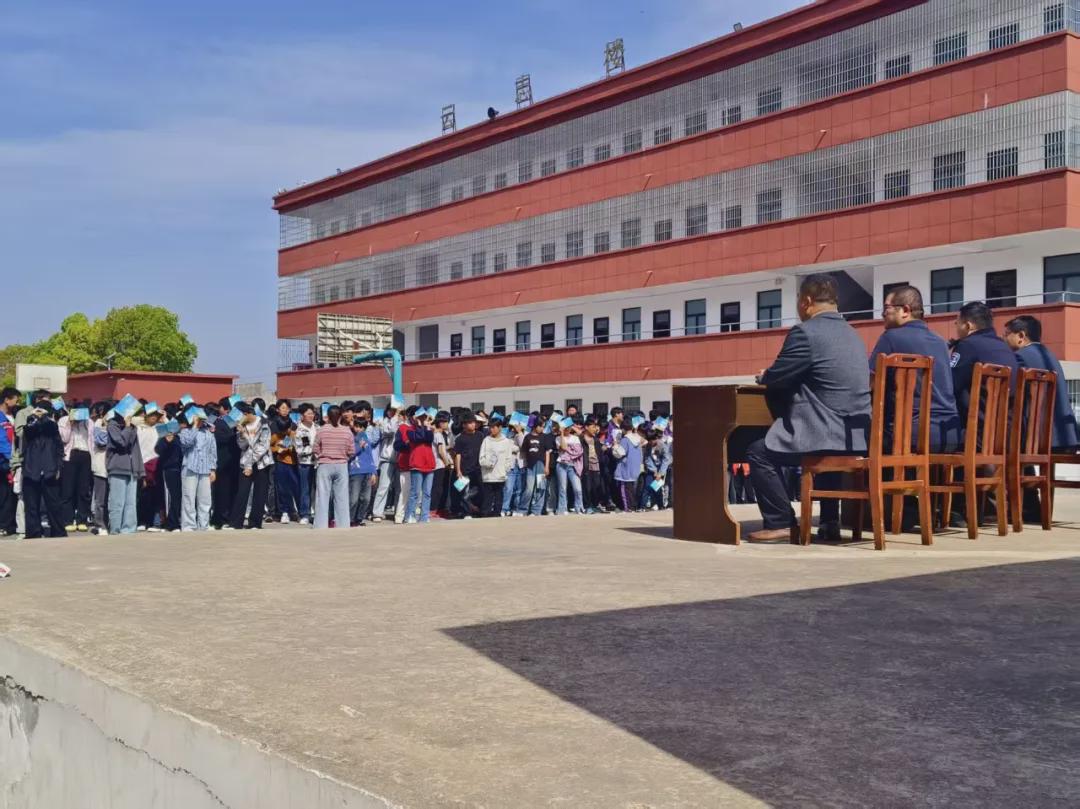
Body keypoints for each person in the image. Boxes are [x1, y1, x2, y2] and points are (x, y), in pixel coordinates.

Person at [745, 274, 872, 542]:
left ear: (806, 301)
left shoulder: (805, 332)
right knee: (824, 441)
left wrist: (765, 375)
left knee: (758, 452)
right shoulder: (854, 335)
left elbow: (778, 375)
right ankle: (829, 522)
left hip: (826, 435)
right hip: (857, 438)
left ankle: (781, 523)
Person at [869, 285, 961, 452]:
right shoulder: (940, 342)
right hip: (949, 434)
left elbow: (870, 383)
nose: (882, 314)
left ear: (905, 310)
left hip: (909, 436)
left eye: (886, 308)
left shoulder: (891, 338)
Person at [1004, 315, 1080, 450]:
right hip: (1065, 436)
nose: (1003, 339)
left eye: (1006, 334)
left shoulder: (1021, 357)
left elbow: (1010, 392)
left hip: (1038, 438)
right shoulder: (1049, 356)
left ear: (1021, 336)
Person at [950, 301, 1018, 427]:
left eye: (957, 322)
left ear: (968, 326)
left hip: (977, 430)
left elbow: (950, 385)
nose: (956, 325)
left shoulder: (967, 345)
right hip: (1006, 430)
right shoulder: (1004, 347)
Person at [22, 398, 66, 539]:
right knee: (31, 505)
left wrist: (59, 466)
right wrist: (34, 417)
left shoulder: (51, 426)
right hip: (31, 470)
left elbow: (59, 447)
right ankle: (33, 533)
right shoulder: (30, 422)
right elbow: (28, 430)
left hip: (50, 469)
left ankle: (58, 532)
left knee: (54, 504)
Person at [313, 405, 353, 530]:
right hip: (341, 465)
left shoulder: (321, 430)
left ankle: (320, 526)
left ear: (328, 416)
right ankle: (343, 525)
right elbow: (351, 451)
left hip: (324, 465)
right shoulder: (347, 431)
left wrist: (322, 455)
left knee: (322, 497)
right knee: (342, 497)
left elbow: (315, 449)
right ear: (341, 416)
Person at [231, 410, 273, 530]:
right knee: (242, 492)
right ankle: (236, 522)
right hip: (246, 463)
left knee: (260, 493)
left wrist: (250, 464)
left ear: (247, 413)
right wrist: (242, 434)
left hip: (261, 463)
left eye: (241, 415)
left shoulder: (263, 424)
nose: (239, 418)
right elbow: (242, 446)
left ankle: (255, 523)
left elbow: (263, 446)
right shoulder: (242, 426)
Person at [106, 409, 143, 535]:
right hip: (118, 468)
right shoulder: (112, 426)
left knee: (131, 502)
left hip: (132, 468)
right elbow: (122, 442)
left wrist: (131, 427)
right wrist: (127, 427)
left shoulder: (132, 427)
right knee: (117, 501)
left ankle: (129, 529)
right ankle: (115, 529)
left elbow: (134, 447)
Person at [58, 402, 94, 532]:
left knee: (83, 490)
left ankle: (82, 520)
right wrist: (70, 422)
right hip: (70, 455)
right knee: (68, 490)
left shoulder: (89, 422)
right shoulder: (63, 420)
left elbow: (92, 440)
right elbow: (64, 439)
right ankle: (67, 520)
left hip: (86, 455)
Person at [179, 412, 217, 532]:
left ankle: (204, 524)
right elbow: (186, 442)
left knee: (205, 499)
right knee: (189, 498)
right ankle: (189, 525)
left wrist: (213, 469)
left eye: (202, 419)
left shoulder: (208, 433)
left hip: (205, 468)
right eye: (198, 419)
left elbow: (212, 451)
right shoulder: (185, 431)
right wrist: (195, 426)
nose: (201, 421)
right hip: (190, 467)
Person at [212, 396, 240, 530]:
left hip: (234, 462)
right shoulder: (216, 422)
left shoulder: (237, 423)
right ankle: (220, 519)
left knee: (233, 490)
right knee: (221, 492)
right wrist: (234, 435)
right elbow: (218, 438)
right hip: (222, 462)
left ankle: (230, 517)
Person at [479, 417, 515, 517]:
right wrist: (487, 463)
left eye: (494, 427)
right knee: (487, 497)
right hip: (488, 476)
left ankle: (497, 514)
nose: (492, 429)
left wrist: (505, 469)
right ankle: (485, 514)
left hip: (500, 475)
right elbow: (481, 458)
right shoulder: (486, 440)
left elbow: (508, 458)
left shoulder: (506, 441)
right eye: (490, 427)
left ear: (500, 427)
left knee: (499, 496)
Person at [516, 415, 552, 517]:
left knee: (540, 487)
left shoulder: (544, 437)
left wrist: (546, 467)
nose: (542, 428)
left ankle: (536, 510)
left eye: (543, 426)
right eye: (541, 426)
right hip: (530, 466)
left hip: (541, 465)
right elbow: (523, 452)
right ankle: (523, 509)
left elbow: (547, 453)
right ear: (536, 426)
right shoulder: (528, 437)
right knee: (529, 488)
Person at [405, 412, 436, 523]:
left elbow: (429, 438)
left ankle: (424, 516)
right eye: (420, 417)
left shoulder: (429, 430)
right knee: (415, 492)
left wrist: (427, 426)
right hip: (417, 464)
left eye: (424, 417)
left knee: (427, 493)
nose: (423, 419)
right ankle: (410, 515)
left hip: (429, 464)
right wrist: (418, 425)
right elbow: (418, 438)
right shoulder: (410, 430)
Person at [452, 412, 485, 518]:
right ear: (464, 425)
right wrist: (458, 471)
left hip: (478, 469)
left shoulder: (480, 435)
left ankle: (476, 509)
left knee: (480, 490)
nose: (473, 424)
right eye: (470, 423)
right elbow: (457, 455)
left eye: (474, 422)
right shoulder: (460, 438)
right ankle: (466, 512)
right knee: (463, 492)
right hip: (464, 470)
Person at [154, 413, 183, 532]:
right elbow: (158, 449)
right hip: (169, 469)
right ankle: (169, 524)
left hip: (182, 469)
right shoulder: (165, 436)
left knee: (179, 497)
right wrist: (167, 441)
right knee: (171, 497)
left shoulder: (181, 437)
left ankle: (176, 521)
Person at [348, 413, 377, 526]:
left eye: (360, 427)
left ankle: (359, 518)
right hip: (356, 471)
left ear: (364, 428)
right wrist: (359, 446)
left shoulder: (367, 439)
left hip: (368, 471)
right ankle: (350, 519)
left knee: (366, 498)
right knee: (354, 498)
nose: (358, 429)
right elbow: (350, 453)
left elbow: (370, 456)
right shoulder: (352, 438)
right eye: (356, 426)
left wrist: (373, 472)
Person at [372, 406, 400, 522]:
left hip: (400, 459)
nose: (393, 412)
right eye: (391, 410)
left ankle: (398, 512)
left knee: (399, 488)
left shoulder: (402, 421)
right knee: (384, 486)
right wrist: (395, 416)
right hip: (387, 459)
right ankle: (377, 513)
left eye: (395, 410)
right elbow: (390, 430)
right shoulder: (383, 422)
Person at [271, 417, 300, 524]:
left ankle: (299, 512)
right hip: (281, 464)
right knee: (282, 489)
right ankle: (284, 512)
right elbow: (268, 446)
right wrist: (277, 449)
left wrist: (293, 448)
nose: (284, 432)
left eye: (286, 429)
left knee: (296, 489)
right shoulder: (276, 436)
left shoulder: (294, 434)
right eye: (281, 430)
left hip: (293, 464)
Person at [613, 424, 646, 512]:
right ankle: (633, 506)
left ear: (623, 429)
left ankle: (628, 507)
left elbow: (620, 453)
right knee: (632, 489)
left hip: (625, 468)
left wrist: (615, 446)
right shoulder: (638, 439)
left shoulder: (625, 440)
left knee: (625, 489)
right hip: (635, 467)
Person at [294, 404, 318, 524]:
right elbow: (301, 449)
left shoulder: (317, 427)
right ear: (302, 415)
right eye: (308, 413)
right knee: (305, 489)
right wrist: (315, 450)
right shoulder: (299, 430)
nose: (311, 415)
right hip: (305, 463)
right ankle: (304, 514)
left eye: (312, 413)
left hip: (318, 463)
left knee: (317, 489)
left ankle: (316, 513)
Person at [0, 388, 19, 536]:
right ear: (7, 400)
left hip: (13, 459)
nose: (17, 403)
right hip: (4, 461)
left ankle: (10, 524)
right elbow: (2, 441)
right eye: (15, 400)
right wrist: (11, 459)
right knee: (4, 493)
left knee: (12, 494)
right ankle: (3, 525)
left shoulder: (14, 416)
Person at [393, 406, 417, 524]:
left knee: (416, 492)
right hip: (406, 464)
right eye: (415, 415)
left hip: (419, 465)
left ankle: (411, 514)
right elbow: (397, 445)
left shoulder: (421, 428)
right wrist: (409, 445)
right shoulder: (402, 428)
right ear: (409, 416)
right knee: (405, 492)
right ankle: (399, 516)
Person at [555, 423, 585, 516]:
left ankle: (579, 508)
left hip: (574, 465)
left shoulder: (575, 438)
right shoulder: (558, 438)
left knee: (578, 488)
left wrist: (568, 448)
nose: (567, 429)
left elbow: (578, 451)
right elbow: (563, 447)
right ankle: (562, 509)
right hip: (561, 464)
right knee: (563, 488)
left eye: (568, 427)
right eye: (565, 428)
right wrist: (562, 434)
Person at [89, 402, 110, 534]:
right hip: (100, 466)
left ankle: (108, 523)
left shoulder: (113, 425)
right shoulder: (97, 424)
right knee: (100, 499)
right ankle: (100, 524)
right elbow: (101, 442)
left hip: (112, 466)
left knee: (110, 499)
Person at [579, 417, 606, 513]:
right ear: (586, 427)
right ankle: (587, 506)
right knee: (587, 487)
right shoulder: (581, 439)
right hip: (586, 466)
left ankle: (595, 505)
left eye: (595, 427)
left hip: (596, 466)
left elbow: (600, 454)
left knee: (596, 487)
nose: (595, 429)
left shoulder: (596, 440)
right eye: (593, 427)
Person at [641, 428, 672, 510]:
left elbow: (666, 459)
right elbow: (647, 459)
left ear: (656, 438)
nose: (651, 442)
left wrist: (660, 473)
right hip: (652, 468)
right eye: (649, 441)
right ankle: (642, 506)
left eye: (652, 440)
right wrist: (654, 470)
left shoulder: (662, 445)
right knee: (647, 486)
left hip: (661, 468)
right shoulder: (648, 446)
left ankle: (660, 505)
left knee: (657, 487)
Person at [431, 413, 453, 518]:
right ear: (441, 423)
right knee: (438, 488)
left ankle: (439, 509)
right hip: (440, 465)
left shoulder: (437, 434)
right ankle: (434, 509)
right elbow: (441, 451)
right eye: (446, 422)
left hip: (439, 464)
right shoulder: (438, 435)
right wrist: (447, 463)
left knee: (440, 488)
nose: (447, 424)